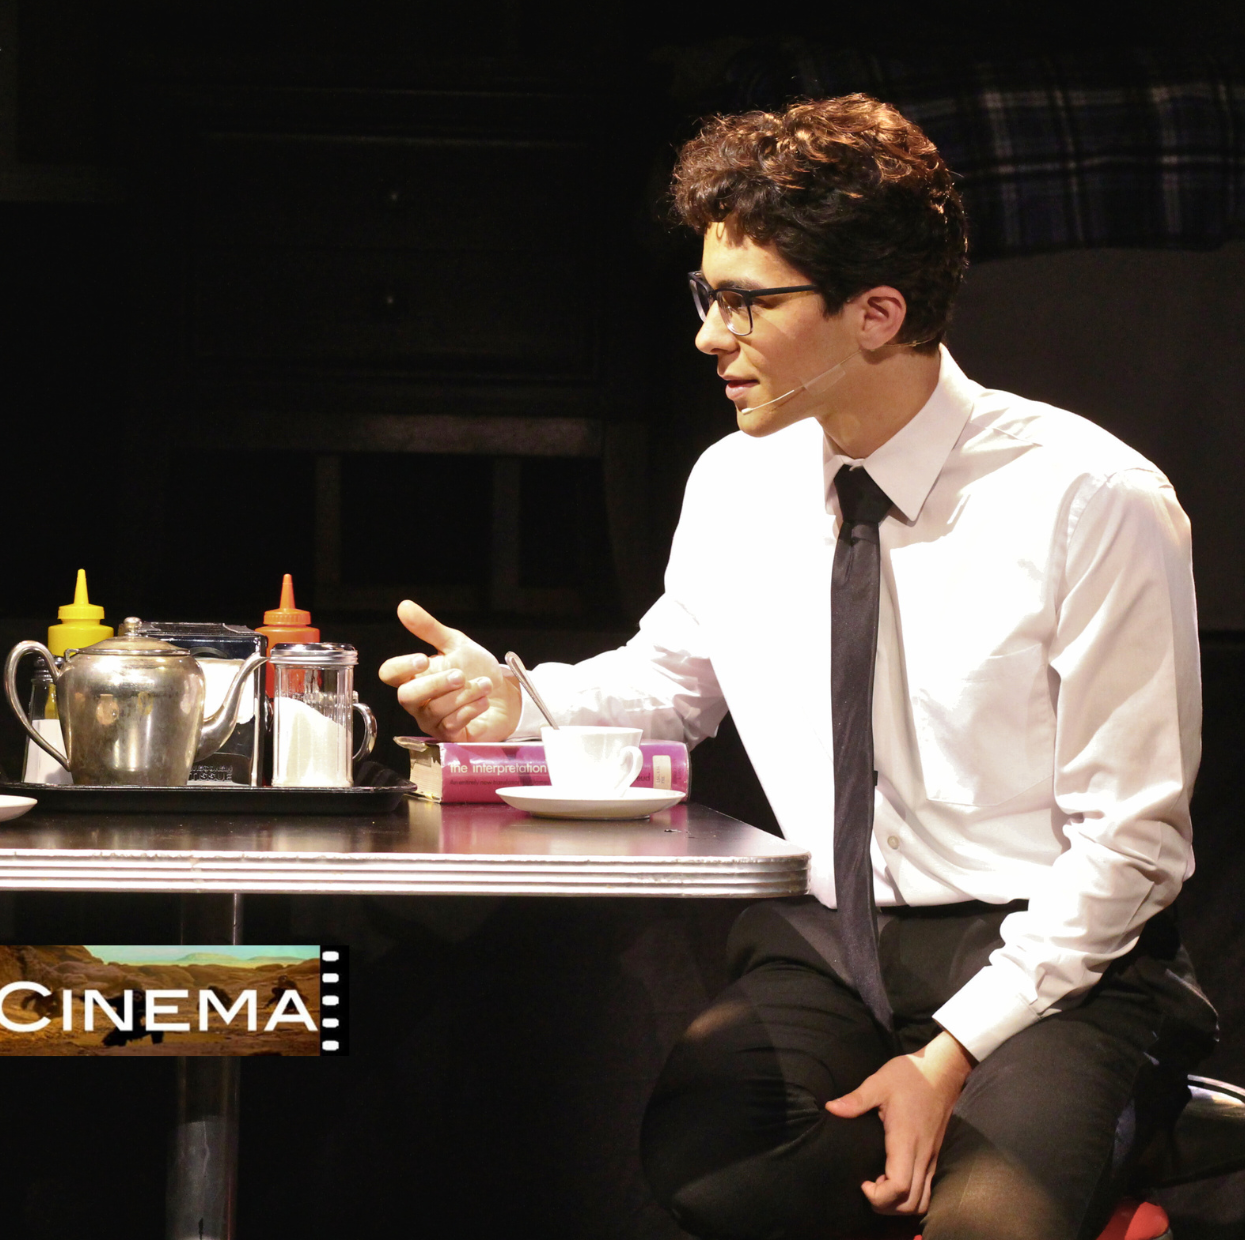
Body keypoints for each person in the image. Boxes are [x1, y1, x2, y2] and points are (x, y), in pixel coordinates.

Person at [379, 96, 1214, 1240]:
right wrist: (515, 702)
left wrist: (949, 1055)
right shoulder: (737, 482)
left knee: (985, 1227)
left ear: (875, 313)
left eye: (745, 303)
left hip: (1048, 950)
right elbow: (670, 687)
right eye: (704, 295)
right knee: (704, 1168)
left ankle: (1116, 1136)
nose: (706, 336)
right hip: (834, 941)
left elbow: (1132, 842)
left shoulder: (1089, 500)